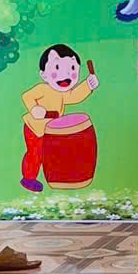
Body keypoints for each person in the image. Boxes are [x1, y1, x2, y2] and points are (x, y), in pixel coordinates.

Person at [19, 43, 100, 193]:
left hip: (52, 131)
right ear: (44, 75)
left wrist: (88, 85)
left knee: (52, 154)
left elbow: (74, 96)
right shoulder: (42, 89)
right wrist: (34, 108)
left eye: (72, 69)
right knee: (36, 153)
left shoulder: (63, 93)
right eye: (57, 68)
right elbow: (27, 96)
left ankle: (58, 177)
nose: (65, 75)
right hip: (35, 128)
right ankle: (28, 178)